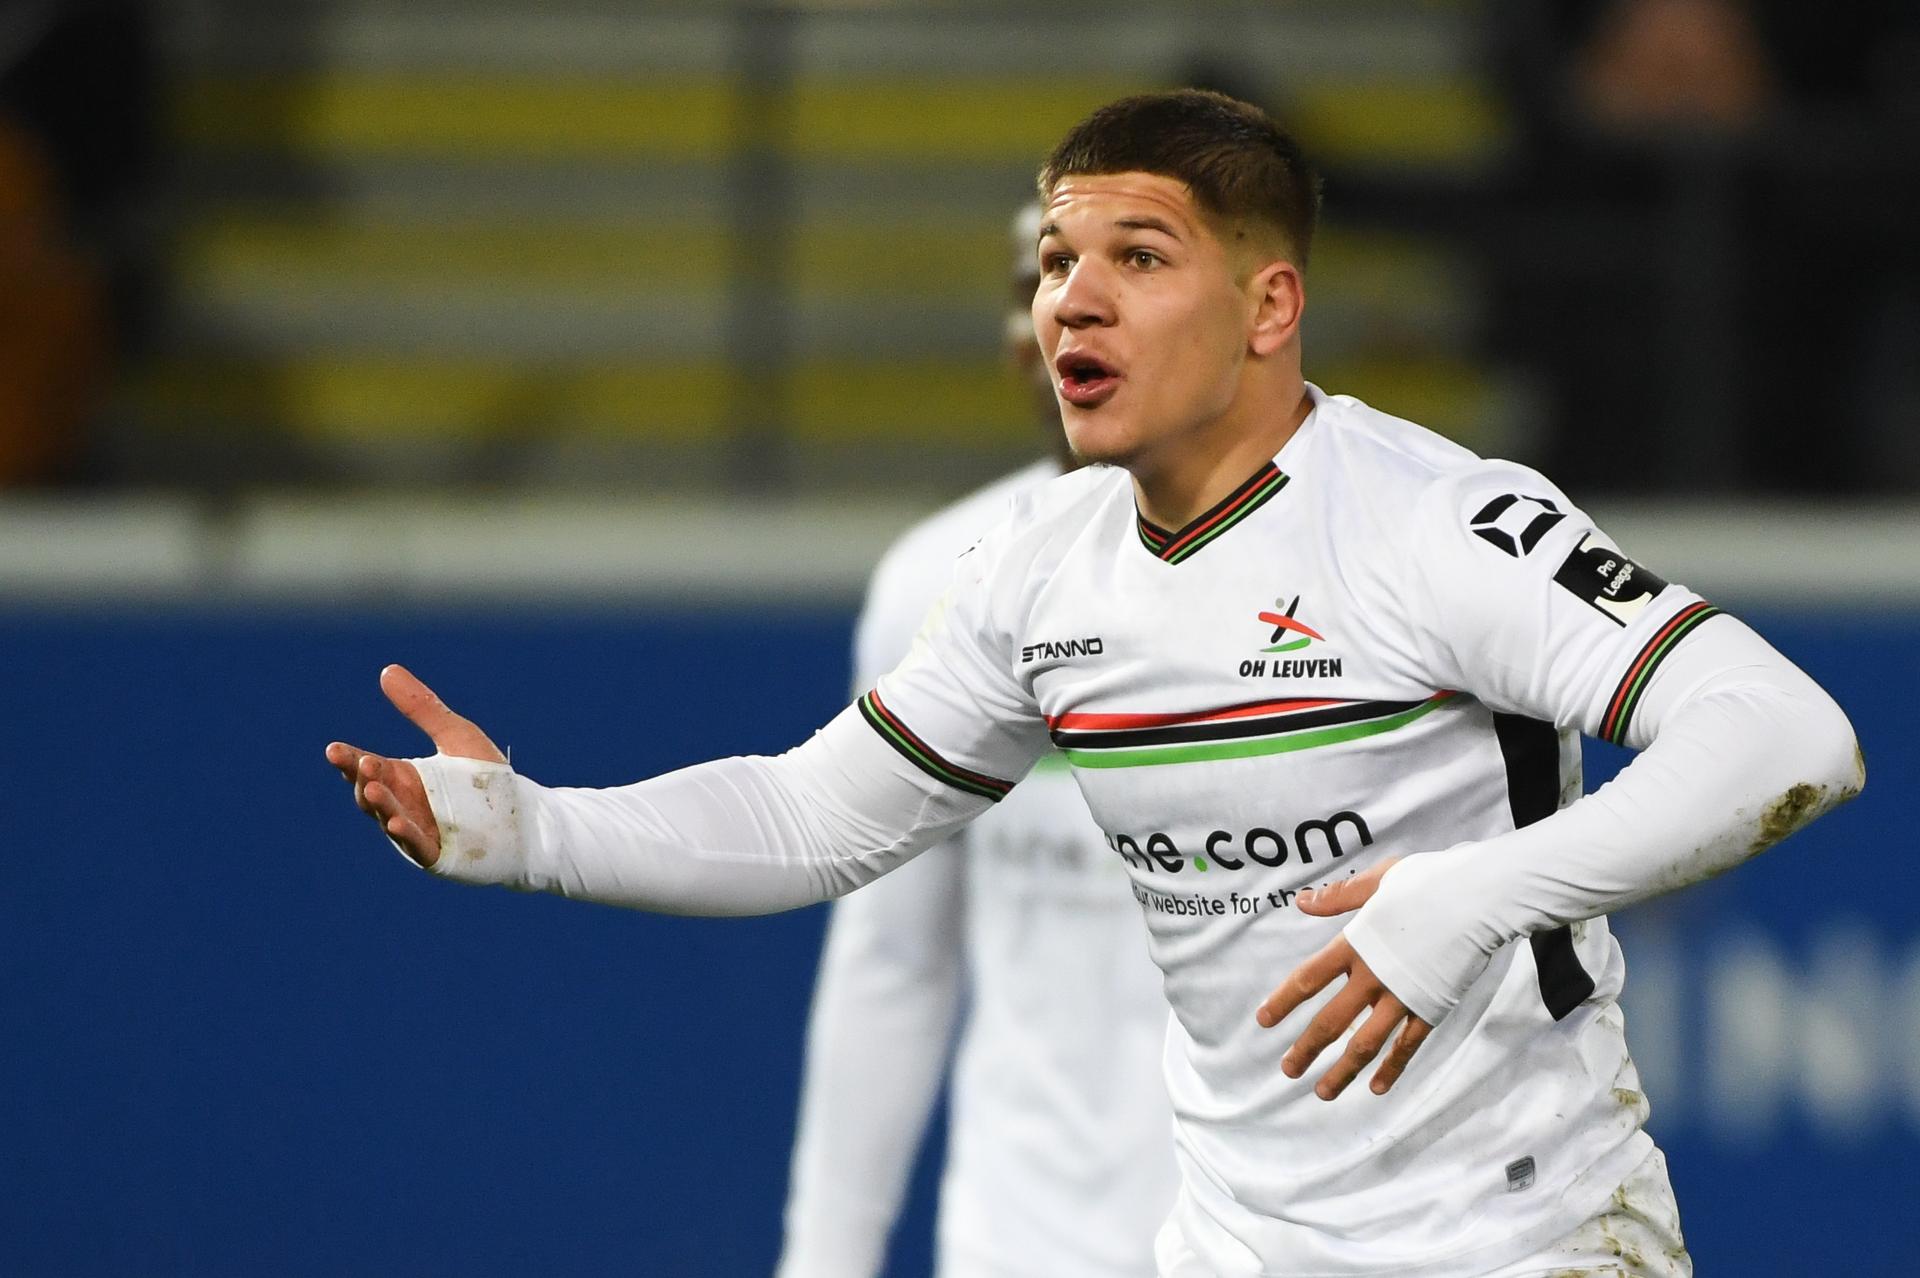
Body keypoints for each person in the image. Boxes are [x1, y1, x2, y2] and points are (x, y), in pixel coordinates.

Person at [327, 91, 1863, 1277]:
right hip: (1231, 1245)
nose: (1075, 298)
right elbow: (815, 818)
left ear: (1270, 308)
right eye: (1059, 260)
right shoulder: (1035, 573)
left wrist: (1472, 896)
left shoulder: (1438, 522)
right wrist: (529, 830)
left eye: (1139, 258)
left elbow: (1787, 733)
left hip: (1515, 1237)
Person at [776, 205, 1176, 1278]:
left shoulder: (1341, 565)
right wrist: (825, 1260)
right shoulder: (934, 583)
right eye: (1044, 287)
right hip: (1022, 1248)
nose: (1075, 327)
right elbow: (894, 961)